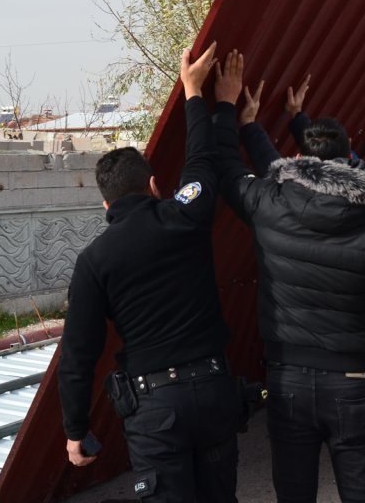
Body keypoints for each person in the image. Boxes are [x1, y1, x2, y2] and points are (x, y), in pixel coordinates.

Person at [211, 54, 365, 503]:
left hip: (286, 381)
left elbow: (229, 169)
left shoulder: (270, 203)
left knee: (294, 494)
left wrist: (231, 111)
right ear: (350, 157)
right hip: (352, 379)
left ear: (303, 159)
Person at [57, 43, 241, 503]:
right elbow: (202, 161)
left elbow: (79, 353)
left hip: (156, 410)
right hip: (215, 393)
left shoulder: (94, 261)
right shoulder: (185, 215)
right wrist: (197, 94)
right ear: (155, 185)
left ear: (105, 204)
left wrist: (75, 429)